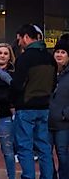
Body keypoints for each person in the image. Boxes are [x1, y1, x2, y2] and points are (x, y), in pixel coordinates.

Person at [12, 24, 56, 179]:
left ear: (26, 37)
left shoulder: (24, 58)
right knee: (44, 147)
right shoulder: (50, 58)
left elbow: (17, 85)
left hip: (25, 107)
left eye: (19, 39)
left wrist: (13, 100)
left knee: (25, 147)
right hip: (44, 107)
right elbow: (53, 83)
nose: (19, 43)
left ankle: (29, 176)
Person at [0, 42, 20, 179]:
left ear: (10, 57)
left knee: (8, 150)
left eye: (5, 53)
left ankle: (11, 177)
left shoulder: (13, 74)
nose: (2, 56)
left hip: (6, 116)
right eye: (0, 53)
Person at [48, 34, 69, 179]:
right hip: (46, 122)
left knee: (63, 155)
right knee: (46, 154)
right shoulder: (48, 71)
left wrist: (65, 114)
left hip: (63, 124)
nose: (59, 55)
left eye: (63, 52)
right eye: (57, 51)